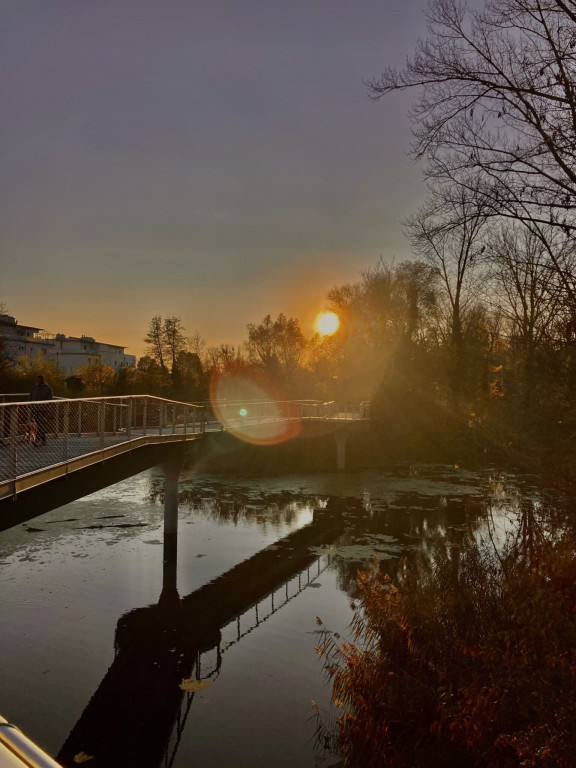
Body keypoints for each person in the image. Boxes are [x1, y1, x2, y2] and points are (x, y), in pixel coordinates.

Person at [28, 372, 53, 445]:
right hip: (34, 409)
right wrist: (29, 405)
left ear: (43, 378)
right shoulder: (34, 388)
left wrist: (45, 407)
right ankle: (43, 440)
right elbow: (30, 397)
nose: (40, 379)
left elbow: (49, 399)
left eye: (41, 377)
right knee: (38, 424)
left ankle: (38, 440)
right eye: (38, 377)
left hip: (43, 410)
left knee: (40, 424)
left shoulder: (48, 388)